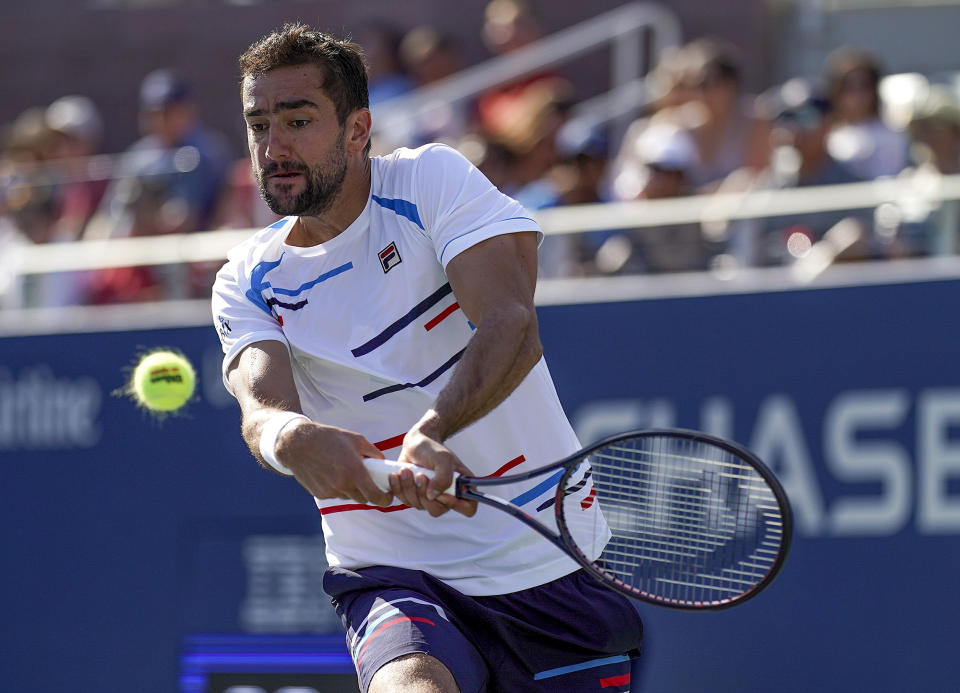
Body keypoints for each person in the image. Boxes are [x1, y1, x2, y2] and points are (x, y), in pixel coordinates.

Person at [212, 23, 642, 693]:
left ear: (358, 130)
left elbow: (510, 322)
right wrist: (292, 438)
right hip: (389, 568)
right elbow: (261, 410)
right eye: (259, 124)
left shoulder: (429, 182)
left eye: (298, 120)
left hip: (545, 558)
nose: (275, 145)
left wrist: (432, 430)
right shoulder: (247, 279)